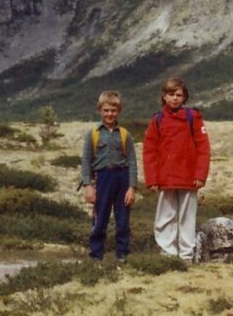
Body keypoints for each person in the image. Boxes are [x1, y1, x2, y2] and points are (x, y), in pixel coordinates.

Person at [142, 77, 211, 262]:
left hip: (189, 178)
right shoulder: (157, 120)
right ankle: (168, 254)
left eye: (179, 95)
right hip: (166, 178)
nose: (175, 98)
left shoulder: (193, 118)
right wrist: (152, 179)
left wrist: (200, 175)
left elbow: (203, 148)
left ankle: (187, 255)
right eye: (171, 94)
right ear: (164, 96)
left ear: (185, 98)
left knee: (187, 217)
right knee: (165, 216)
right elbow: (150, 151)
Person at [80, 90, 138, 261]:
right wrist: (87, 185)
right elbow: (86, 161)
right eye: (106, 110)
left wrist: (132, 187)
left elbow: (133, 162)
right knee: (100, 219)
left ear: (119, 111)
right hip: (102, 178)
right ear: (100, 110)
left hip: (122, 178)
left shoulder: (125, 134)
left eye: (113, 110)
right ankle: (96, 255)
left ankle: (123, 255)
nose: (110, 114)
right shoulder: (93, 134)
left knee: (122, 220)